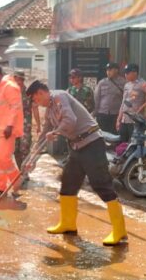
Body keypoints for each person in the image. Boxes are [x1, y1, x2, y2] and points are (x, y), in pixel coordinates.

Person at [26, 80, 127, 246]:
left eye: (35, 99)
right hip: (76, 147)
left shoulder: (60, 97)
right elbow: (45, 132)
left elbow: (70, 120)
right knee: (68, 184)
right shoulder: (50, 109)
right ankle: (68, 224)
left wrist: (56, 131)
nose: (36, 103)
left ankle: (119, 230)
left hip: (92, 144)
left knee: (101, 184)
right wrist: (32, 158)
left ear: (41, 93)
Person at [0, 66, 24, 194]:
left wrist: (10, 125)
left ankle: (17, 180)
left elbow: (15, 107)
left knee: (4, 158)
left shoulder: (10, 87)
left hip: (6, 130)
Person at [116, 63, 146, 142]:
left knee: (134, 143)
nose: (125, 75)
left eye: (128, 73)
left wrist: (142, 106)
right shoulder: (127, 85)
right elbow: (123, 103)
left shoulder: (142, 84)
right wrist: (118, 119)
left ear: (135, 73)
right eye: (125, 73)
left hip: (135, 120)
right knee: (122, 143)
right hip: (124, 119)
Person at [11, 70, 41, 179]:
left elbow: (35, 108)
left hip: (25, 126)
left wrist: (38, 125)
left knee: (25, 148)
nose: (15, 81)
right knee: (15, 150)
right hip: (13, 126)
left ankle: (24, 173)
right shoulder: (11, 92)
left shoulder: (28, 93)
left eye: (17, 79)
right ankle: (20, 171)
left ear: (21, 80)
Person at [94, 62, 126, 134]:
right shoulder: (102, 83)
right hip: (102, 114)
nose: (108, 72)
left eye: (110, 70)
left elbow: (126, 99)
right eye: (107, 70)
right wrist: (95, 113)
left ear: (116, 70)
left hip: (115, 115)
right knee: (102, 135)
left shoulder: (123, 82)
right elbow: (96, 98)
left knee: (115, 135)